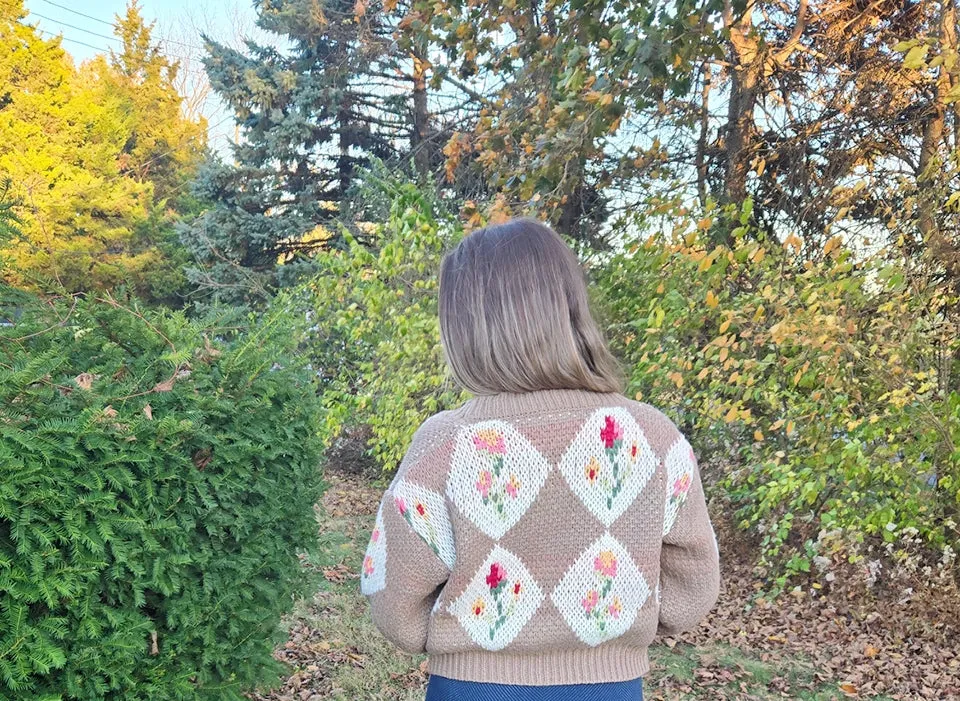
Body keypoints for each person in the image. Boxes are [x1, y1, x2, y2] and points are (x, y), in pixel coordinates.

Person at [359, 218, 720, 700]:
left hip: (473, 689)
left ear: (465, 328)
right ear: (569, 308)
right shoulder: (655, 439)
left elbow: (393, 597)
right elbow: (694, 579)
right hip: (610, 688)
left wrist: (463, 639)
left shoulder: (443, 445)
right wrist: (612, 631)